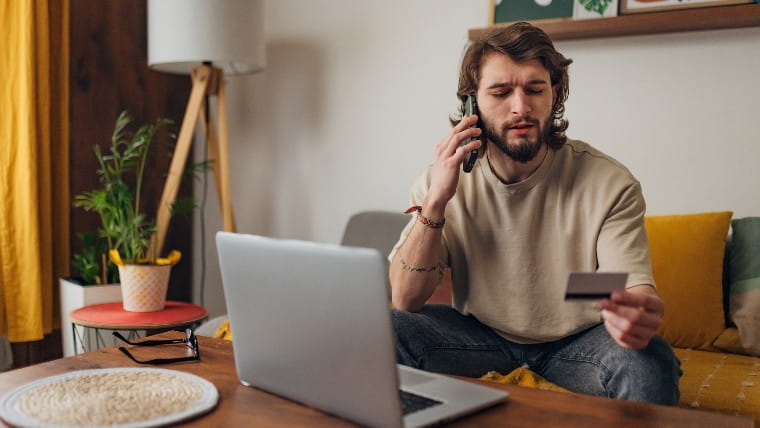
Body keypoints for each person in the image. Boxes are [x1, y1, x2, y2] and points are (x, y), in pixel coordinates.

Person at [387, 22, 681, 405]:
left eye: (535, 89)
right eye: (501, 92)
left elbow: (626, 286)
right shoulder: (442, 180)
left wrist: (632, 312)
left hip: (579, 346)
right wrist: (436, 203)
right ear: (471, 104)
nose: (521, 107)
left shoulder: (609, 182)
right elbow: (406, 299)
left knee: (650, 359)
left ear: (554, 94)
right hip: (479, 337)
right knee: (387, 330)